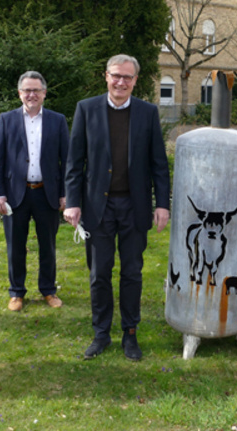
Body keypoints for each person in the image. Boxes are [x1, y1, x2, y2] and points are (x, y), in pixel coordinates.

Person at [64, 55, 170, 362]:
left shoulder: (148, 113)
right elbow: (74, 162)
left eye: (127, 77)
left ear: (136, 80)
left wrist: (162, 204)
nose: (121, 82)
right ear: (106, 76)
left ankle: (130, 334)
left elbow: (158, 164)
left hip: (134, 206)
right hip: (98, 207)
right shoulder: (87, 109)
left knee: (132, 272)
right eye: (115, 76)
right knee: (99, 273)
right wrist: (72, 202)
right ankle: (101, 334)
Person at [0, 71, 69, 312]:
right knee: (15, 245)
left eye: (36, 90)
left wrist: (66, 193)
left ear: (44, 93)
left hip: (47, 194)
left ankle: (48, 290)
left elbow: (67, 161)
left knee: (48, 244)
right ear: (19, 93)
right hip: (16, 195)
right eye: (27, 90)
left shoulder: (57, 120)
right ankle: (16, 292)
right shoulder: (6, 119)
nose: (31, 94)